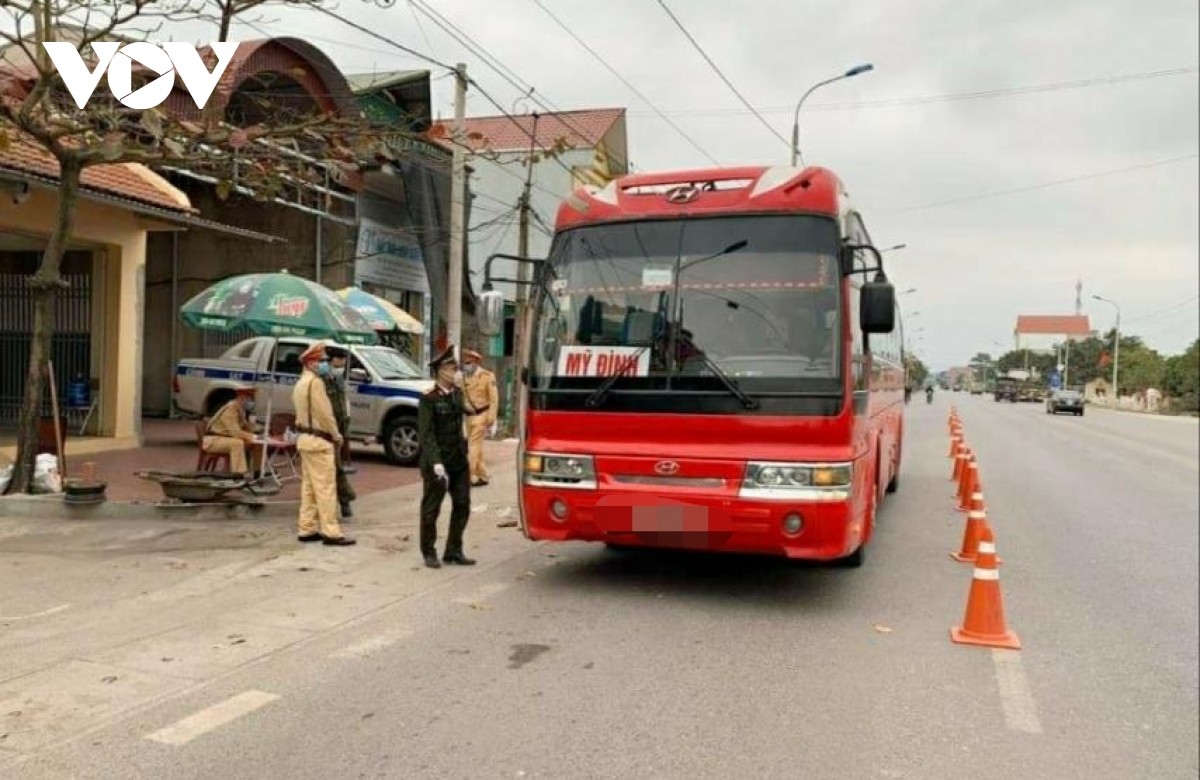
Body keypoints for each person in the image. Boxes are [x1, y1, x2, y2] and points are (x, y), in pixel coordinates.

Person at [417, 346, 475, 569]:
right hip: (438, 461)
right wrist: (435, 462)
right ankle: (429, 551)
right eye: (452, 368)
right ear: (441, 371)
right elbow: (426, 434)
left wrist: (464, 389)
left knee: (462, 503)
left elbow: (471, 410)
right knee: (431, 508)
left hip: (458, 459)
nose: (456, 372)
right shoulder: (429, 399)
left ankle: (454, 550)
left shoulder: (456, 394)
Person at [292, 341, 355, 547]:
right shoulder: (316, 383)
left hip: (304, 439)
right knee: (326, 488)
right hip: (319, 440)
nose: (324, 364)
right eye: (321, 361)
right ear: (310, 363)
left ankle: (307, 528)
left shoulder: (300, 383)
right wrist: (336, 435)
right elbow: (325, 414)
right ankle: (331, 531)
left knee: (309, 487)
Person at [322, 345, 357, 519]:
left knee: (336, 467)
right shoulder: (321, 380)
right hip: (327, 430)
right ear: (332, 359)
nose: (343, 363)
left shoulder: (338, 379)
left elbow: (344, 403)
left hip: (340, 428)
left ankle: (342, 502)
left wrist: (345, 426)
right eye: (341, 359)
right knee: (335, 468)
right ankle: (345, 501)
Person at [201, 386, 260, 477]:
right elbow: (235, 432)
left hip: (225, 438)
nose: (251, 402)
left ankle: (258, 471)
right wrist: (254, 437)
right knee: (237, 443)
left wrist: (251, 422)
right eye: (249, 398)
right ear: (241, 397)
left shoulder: (241, 411)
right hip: (214, 440)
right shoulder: (230, 409)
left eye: (251, 399)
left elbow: (248, 430)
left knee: (258, 444)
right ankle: (239, 474)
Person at [461, 348, 499, 487]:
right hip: (468, 417)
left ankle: (470, 475)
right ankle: (482, 475)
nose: (466, 364)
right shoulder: (465, 377)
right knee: (478, 448)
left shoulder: (487, 376)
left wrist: (491, 418)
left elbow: (494, 399)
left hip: (482, 415)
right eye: (465, 362)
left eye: (469, 362)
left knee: (473, 447)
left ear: (476, 362)